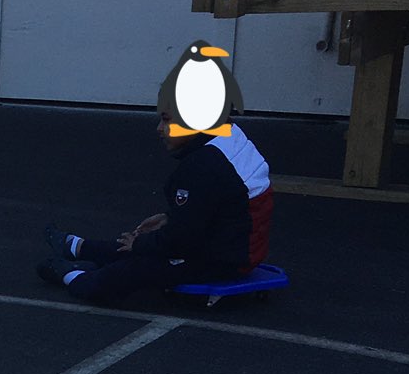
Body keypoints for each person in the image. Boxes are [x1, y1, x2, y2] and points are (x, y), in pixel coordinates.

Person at [37, 117, 273, 305]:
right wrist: (169, 218)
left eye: (166, 120)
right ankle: (78, 246)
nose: (159, 129)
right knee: (141, 246)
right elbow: (219, 204)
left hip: (223, 260)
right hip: (235, 246)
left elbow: (180, 240)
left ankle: (70, 275)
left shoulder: (202, 165)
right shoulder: (228, 136)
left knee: (125, 272)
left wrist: (142, 244)